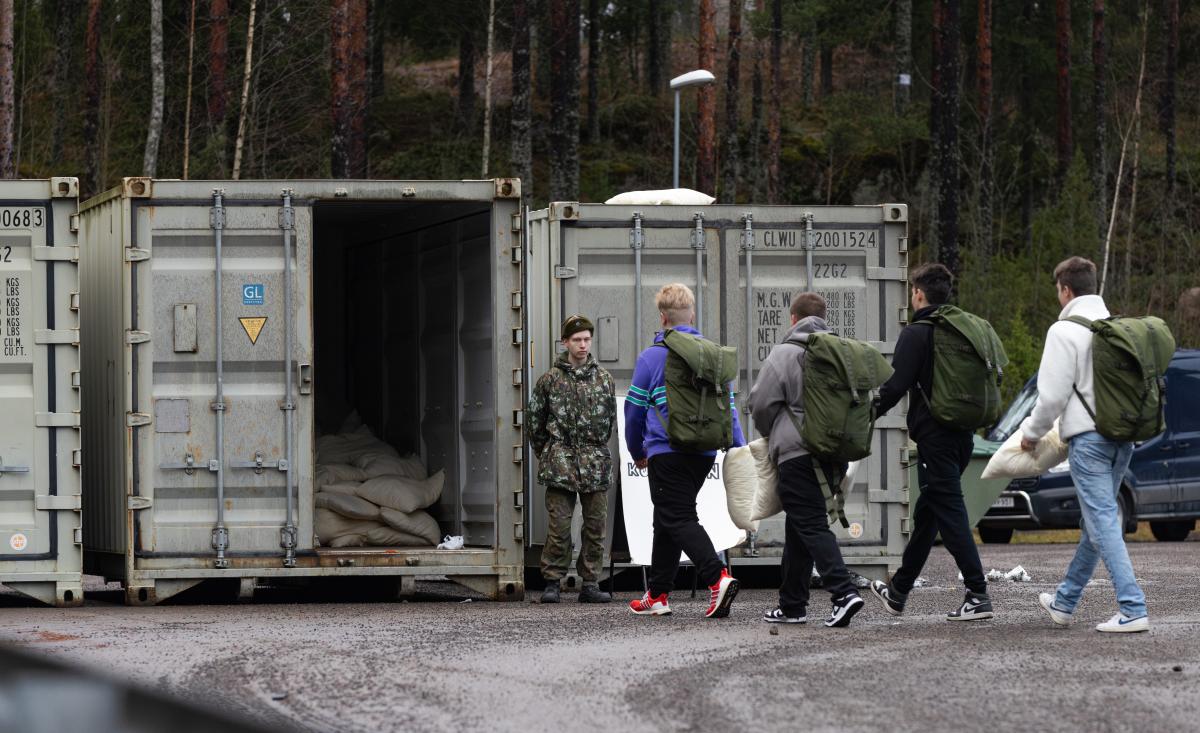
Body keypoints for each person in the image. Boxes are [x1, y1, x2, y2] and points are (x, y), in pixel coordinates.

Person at [1022, 257, 1149, 632]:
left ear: (1065, 290)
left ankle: (1133, 608)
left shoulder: (1063, 332)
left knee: (1102, 520)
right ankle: (1065, 602)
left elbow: (1050, 398)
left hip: (1089, 441)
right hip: (1122, 438)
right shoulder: (1116, 327)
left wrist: (1031, 434)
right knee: (1096, 520)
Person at [869, 263, 994, 621]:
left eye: (912, 292)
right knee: (929, 513)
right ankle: (898, 592)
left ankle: (977, 593)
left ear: (919, 294)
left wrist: (862, 413)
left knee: (950, 510)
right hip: (962, 434)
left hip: (934, 437)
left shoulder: (918, 332)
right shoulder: (963, 329)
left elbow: (896, 387)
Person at [625, 283, 745, 618]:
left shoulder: (652, 356)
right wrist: (740, 448)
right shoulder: (712, 355)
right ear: (691, 314)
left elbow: (633, 410)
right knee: (666, 517)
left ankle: (716, 576)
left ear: (662, 317)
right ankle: (658, 594)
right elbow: (729, 408)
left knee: (677, 515)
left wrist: (636, 450)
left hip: (667, 451)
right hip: (705, 453)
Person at [748, 292, 866, 627]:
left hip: (798, 455)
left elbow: (760, 404)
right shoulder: (843, 352)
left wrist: (777, 434)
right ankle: (792, 605)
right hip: (835, 453)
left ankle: (843, 593)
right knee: (800, 524)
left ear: (793, 319)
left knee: (810, 523)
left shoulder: (785, 353)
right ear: (824, 318)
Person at [527, 315, 616, 604]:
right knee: (559, 525)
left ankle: (590, 583)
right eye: (576, 339)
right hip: (560, 460)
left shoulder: (604, 379)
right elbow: (534, 423)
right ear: (565, 342)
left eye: (587, 339)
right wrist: (549, 453)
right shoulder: (549, 380)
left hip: (594, 459)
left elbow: (610, 421)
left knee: (595, 525)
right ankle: (553, 581)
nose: (582, 345)